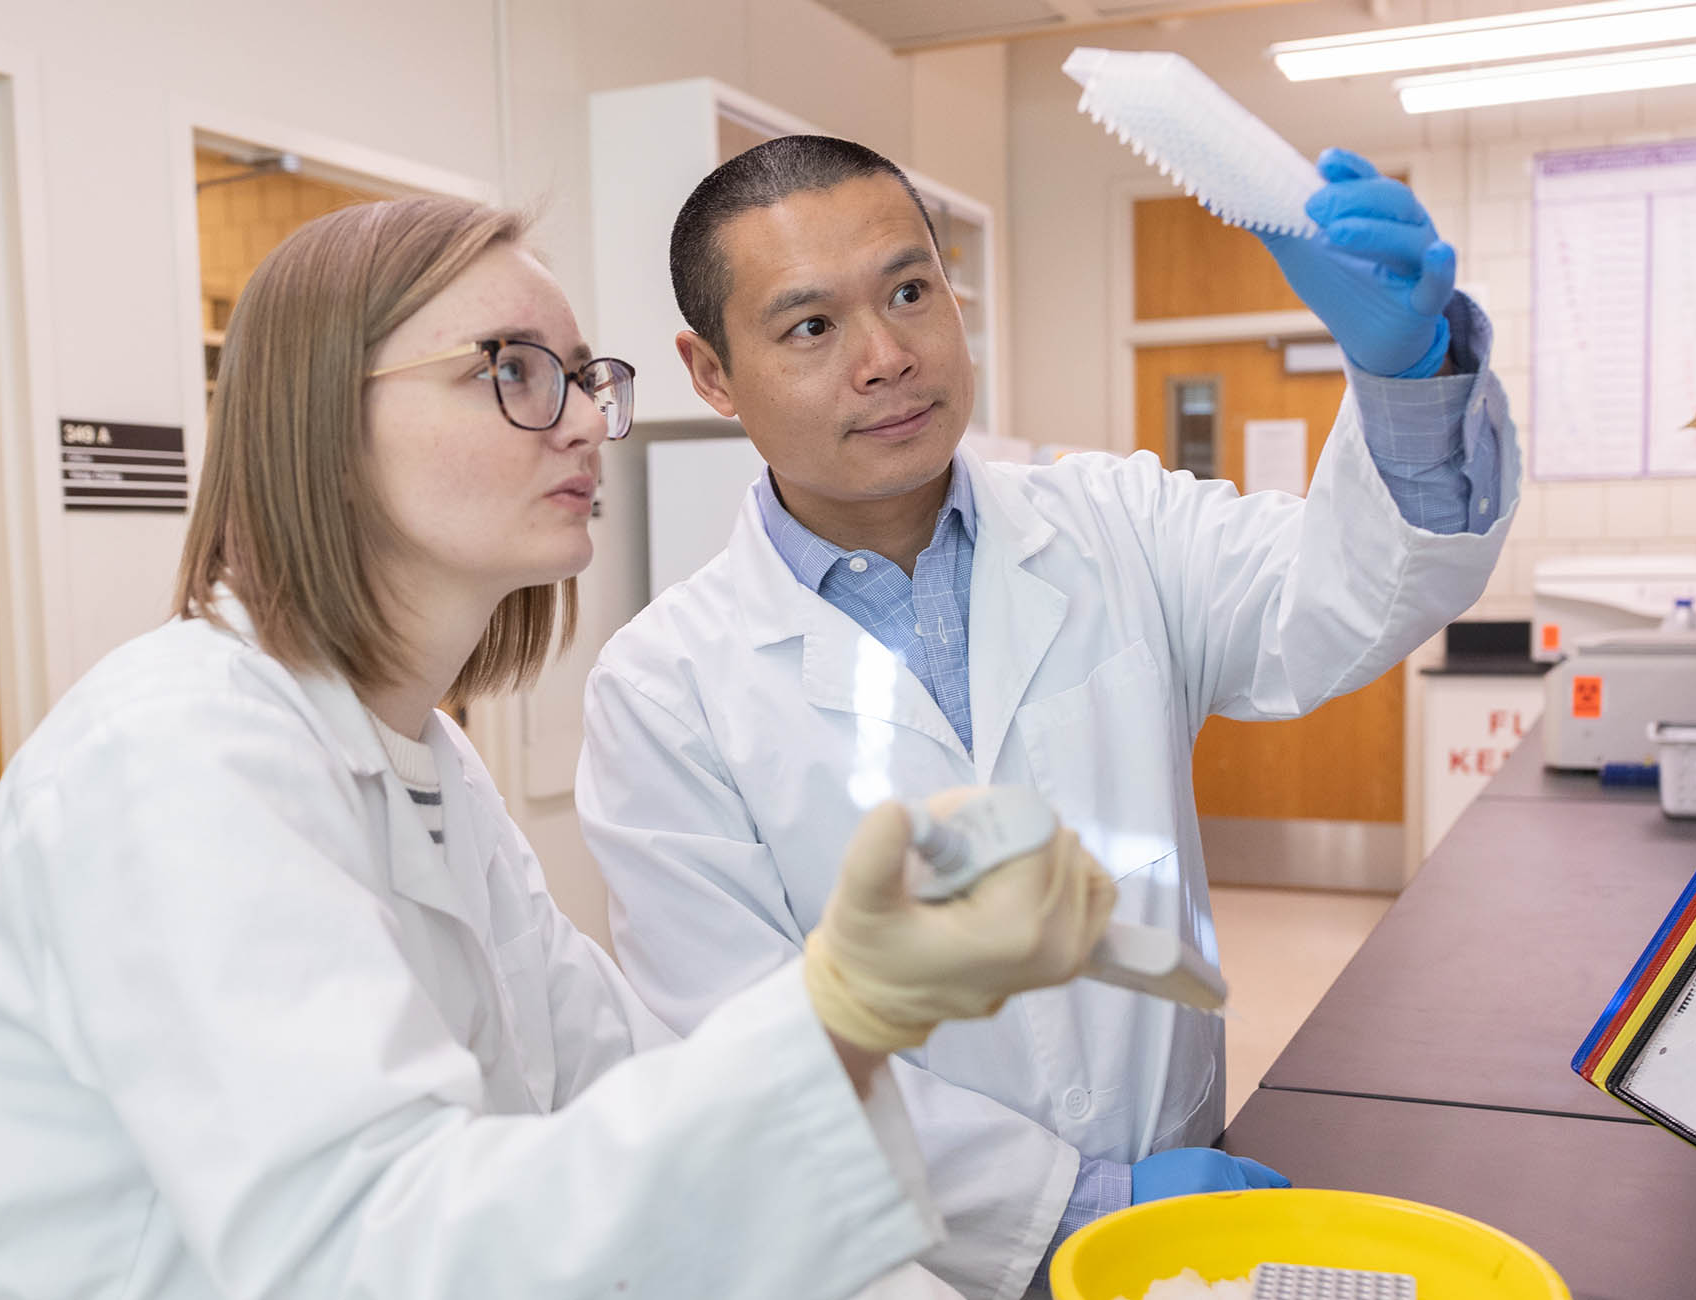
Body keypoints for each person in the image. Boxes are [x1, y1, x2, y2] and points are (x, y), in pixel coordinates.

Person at [0, 195, 1121, 1300]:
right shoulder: (173, 754)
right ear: (322, 412)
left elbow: (617, 1089)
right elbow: (374, 1252)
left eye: (586, 375)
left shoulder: (428, 764)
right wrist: (839, 1009)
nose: (590, 419)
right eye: (515, 370)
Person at [576, 136, 1518, 1297]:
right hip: (887, 1264)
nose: (886, 357)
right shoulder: (663, 687)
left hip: (1181, 1231)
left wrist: (1408, 377)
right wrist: (1083, 1202)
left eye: (910, 291)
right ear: (711, 373)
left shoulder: (1114, 523)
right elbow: (748, 1057)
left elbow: (1343, 602)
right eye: (810, 327)